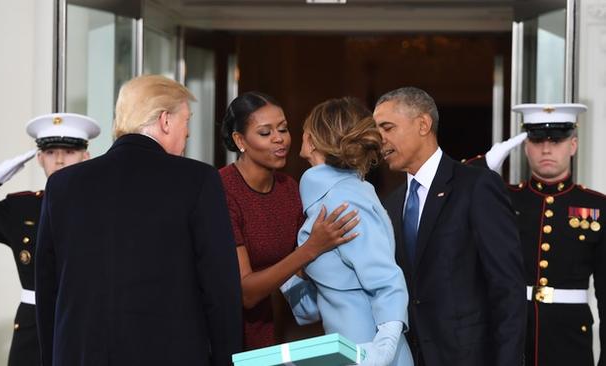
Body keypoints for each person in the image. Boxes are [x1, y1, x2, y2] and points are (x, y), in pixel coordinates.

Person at [35, 75, 242, 366]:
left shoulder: (62, 185)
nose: (188, 134)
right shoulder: (197, 180)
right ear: (165, 120)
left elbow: (47, 291)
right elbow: (220, 289)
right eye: (187, 121)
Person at [373, 86, 526, 366]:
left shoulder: (476, 186)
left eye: (388, 127)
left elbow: (507, 289)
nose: (379, 139)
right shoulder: (390, 205)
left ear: (423, 124)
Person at [465, 103, 605, 366]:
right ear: (525, 146)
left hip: (569, 338)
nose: (547, 148)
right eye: (537, 140)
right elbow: (454, 190)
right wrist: (487, 163)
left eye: (557, 140)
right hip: (511, 331)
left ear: (573, 145)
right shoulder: (504, 198)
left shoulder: (597, 206)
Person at [0, 112, 99, 366]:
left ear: (85, 157)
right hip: (33, 330)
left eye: (69, 151)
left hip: (88, 325)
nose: (59, 160)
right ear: (40, 158)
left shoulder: (105, 207)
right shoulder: (20, 208)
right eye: (51, 151)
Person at [219, 91, 359, 350]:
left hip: (280, 330)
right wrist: (312, 248)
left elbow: (301, 267)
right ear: (240, 140)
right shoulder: (222, 190)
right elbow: (245, 293)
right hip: (230, 332)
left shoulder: (289, 188)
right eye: (265, 133)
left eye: (283, 129)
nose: (279, 139)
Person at [282, 97, 413, 366]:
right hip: (344, 352)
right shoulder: (328, 197)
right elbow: (310, 310)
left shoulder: (344, 200)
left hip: (369, 355)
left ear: (312, 139)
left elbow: (386, 280)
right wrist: (290, 266)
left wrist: (381, 354)